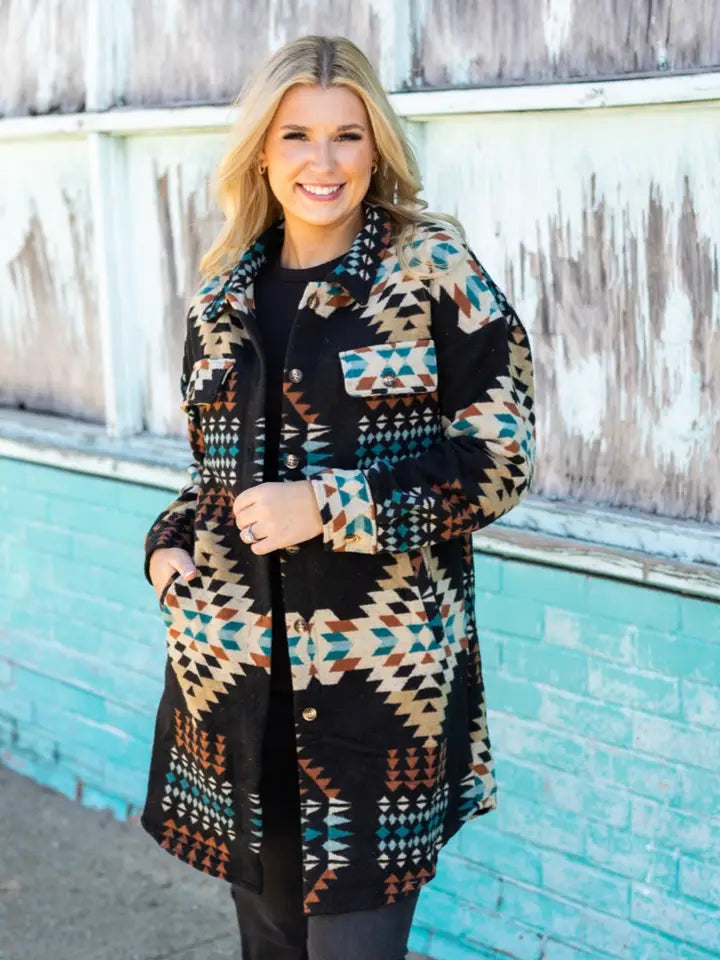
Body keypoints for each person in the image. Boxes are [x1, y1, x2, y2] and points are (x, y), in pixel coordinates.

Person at [141, 33, 536, 960]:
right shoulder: (221, 297)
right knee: (269, 948)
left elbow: (498, 460)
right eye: (297, 136)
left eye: (347, 135)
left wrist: (327, 506)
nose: (323, 162)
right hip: (236, 695)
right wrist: (165, 550)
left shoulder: (432, 271)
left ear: (376, 146)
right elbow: (211, 481)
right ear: (261, 153)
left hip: (375, 705)